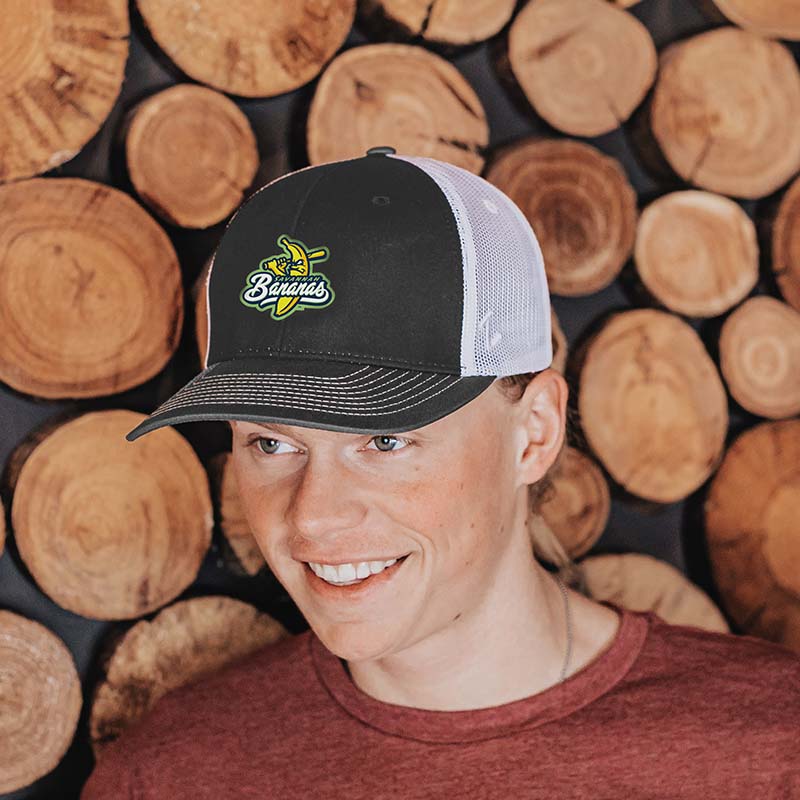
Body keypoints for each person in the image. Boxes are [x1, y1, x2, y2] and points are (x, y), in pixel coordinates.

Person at [82, 147, 800, 799]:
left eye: (385, 440)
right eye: (270, 443)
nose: (312, 516)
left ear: (534, 433)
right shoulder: (169, 778)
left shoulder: (771, 749)